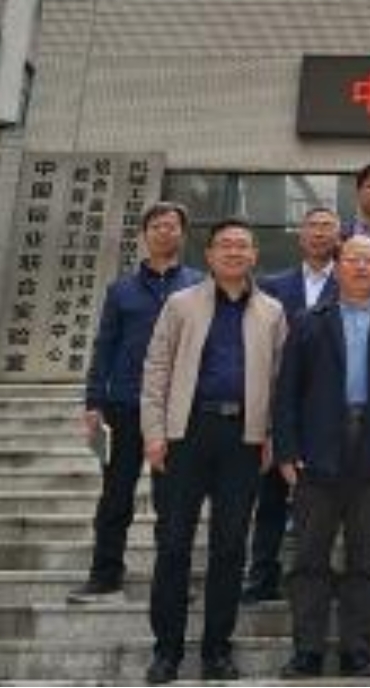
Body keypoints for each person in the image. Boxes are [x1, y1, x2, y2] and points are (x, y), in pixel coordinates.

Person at [139, 219, 288, 684]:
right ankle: (166, 651)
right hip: (186, 433)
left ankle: (217, 650)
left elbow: (280, 381)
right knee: (173, 544)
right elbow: (156, 368)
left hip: (244, 438)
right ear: (208, 255)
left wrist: (272, 435)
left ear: (255, 255)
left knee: (230, 547)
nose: (234, 252)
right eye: (225, 245)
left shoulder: (272, 312)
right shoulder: (181, 303)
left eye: (243, 245)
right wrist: (154, 432)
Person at [272, 237, 370, 679]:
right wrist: (286, 448)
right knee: (309, 558)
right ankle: (308, 651)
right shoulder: (307, 322)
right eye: (351, 259)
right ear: (336, 269)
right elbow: (287, 393)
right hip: (317, 451)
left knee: (367, 559)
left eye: (369, 260)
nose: (360, 267)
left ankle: (357, 649)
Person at [70, 202, 203, 604]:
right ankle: (105, 574)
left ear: (182, 234)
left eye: (172, 226)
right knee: (115, 495)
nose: (165, 232)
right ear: (144, 234)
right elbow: (105, 346)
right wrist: (94, 401)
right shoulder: (121, 290)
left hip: (178, 408)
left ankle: (173, 578)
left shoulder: (199, 285)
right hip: (122, 405)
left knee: (174, 500)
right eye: (157, 226)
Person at [242, 206, 341, 605]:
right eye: (312, 226)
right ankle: (262, 574)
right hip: (279, 400)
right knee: (270, 494)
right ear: (300, 236)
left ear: (339, 236)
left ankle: (324, 575)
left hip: (332, 408)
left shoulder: (354, 282)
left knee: (329, 500)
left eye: (327, 227)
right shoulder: (270, 285)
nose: (319, 233)